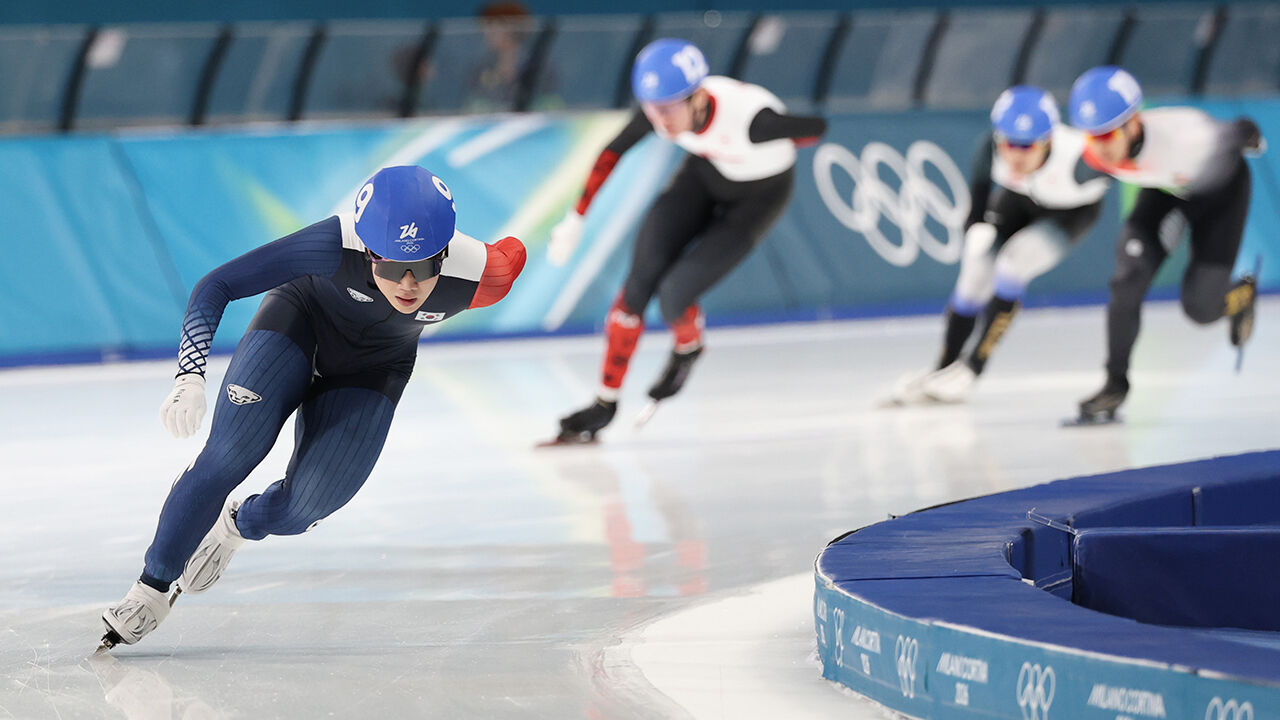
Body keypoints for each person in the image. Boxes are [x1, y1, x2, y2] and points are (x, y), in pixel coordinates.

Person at [99, 166, 526, 649]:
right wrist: (189, 374)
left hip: (373, 369)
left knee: (303, 509)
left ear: (445, 254)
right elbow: (215, 286)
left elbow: (516, 251)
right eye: (388, 266)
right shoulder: (331, 244)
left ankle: (239, 524)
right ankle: (150, 590)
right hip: (294, 327)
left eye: (425, 267)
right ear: (367, 250)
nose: (408, 284)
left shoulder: (483, 275)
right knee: (228, 456)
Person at [544, 38, 826, 443]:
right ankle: (604, 404)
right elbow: (612, 152)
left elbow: (817, 128)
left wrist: (785, 132)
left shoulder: (752, 121)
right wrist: (576, 218)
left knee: (674, 295)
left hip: (759, 197)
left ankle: (688, 347)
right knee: (638, 284)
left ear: (697, 97)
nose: (659, 120)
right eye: (651, 109)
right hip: (706, 175)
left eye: (668, 109)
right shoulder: (660, 110)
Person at [888, 86, 1111, 405]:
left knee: (1012, 265)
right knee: (972, 280)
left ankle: (972, 368)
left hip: (1070, 213)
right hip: (1018, 203)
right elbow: (976, 206)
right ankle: (943, 368)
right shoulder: (989, 148)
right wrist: (976, 228)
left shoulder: (1081, 161)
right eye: (1009, 144)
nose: (1015, 155)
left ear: (1048, 140)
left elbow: (1131, 167)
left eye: (1026, 146)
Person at [1067, 66, 1265, 421]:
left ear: (1133, 123)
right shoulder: (1095, 151)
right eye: (1091, 137)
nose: (1100, 148)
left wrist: (1251, 136)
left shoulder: (1189, 138)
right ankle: (1115, 385)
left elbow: (1241, 130)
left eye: (1107, 135)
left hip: (1221, 195)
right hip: (1167, 191)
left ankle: (1243, 295)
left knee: (1201, 309)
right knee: (1127, 281)